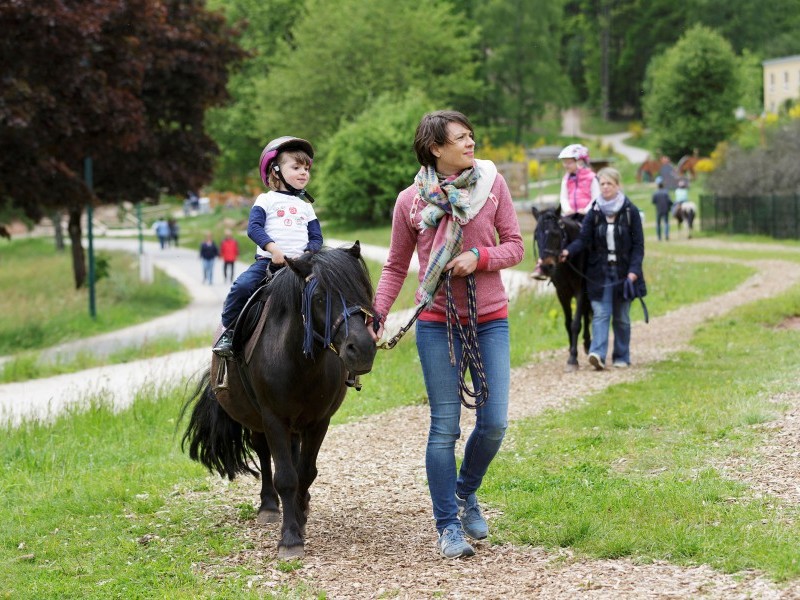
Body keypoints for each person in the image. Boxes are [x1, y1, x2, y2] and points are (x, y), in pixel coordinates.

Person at [370, 110, 524, 559]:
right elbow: (397, 265)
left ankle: (464, 491)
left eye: (471, 135)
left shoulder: (492, 184)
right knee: (444, 428)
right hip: (438, 323)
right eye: (460, 138)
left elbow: (515, 245)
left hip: (489, 317)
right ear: (436, 148)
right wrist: (379, 313)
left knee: (494, 422)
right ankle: (447, 527)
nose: (470, 143)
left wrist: (480, 256)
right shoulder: (410, 203)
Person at [212, 136, 323, 357]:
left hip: (302, 266)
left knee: (332, 292)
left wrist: (308, 254)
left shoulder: (306, 207)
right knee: (242, 287)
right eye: (296, 167)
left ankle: (338, 344)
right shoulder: (266, 200)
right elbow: (254, 228)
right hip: (268, 264)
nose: (304, 173)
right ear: (275, 171)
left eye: (306, 168)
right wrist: (273, 250)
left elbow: (316, 238)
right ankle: (229, 332)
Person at [560, 167, 645, 370]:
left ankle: (621, 356)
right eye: (602, 184)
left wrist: (634, 271)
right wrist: (567, 252)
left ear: (618, 186)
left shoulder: (629, 211)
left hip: (624, 273)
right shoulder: (595, 211)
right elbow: (583, 239)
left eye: (609, 184)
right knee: (600, 313)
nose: (605, 187)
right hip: (599, 272)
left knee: (622, 317)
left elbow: (638, 246)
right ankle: (597, 354)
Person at [531, 143, 599, 280]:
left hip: (588, 214)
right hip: (570, 214)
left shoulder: (592, 177)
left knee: (596, 235)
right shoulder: (566, 178)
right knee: (552, 233)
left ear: (580, 161)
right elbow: (564, 197)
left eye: (569, 162)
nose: (566, 165)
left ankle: (597, 264)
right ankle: (543, 264)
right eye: (564, 163)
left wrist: (585, 210)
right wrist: (568, 209)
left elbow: (596, 197)